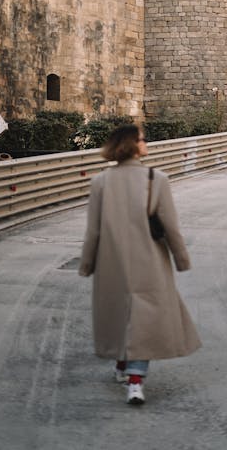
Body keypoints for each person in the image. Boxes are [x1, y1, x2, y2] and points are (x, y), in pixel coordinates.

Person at [78, 123, 201, 405]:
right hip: (150, 262)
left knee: (122, 314)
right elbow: (171, 226)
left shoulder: (100, 182)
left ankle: (124, 366)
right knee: (144, 320)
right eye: (143, 140)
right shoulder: (155, 179)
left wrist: (87, 264)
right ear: (132, 145)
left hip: (112, 263)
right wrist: (181, 259)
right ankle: (135, 381)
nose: (146, 143)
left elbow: (93, 231)